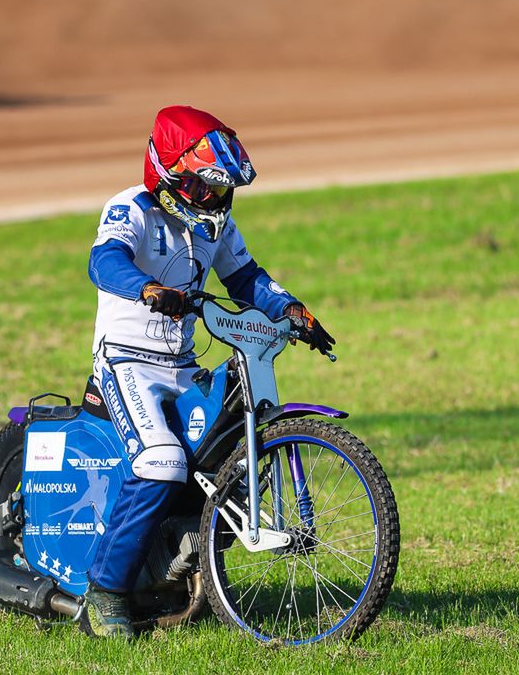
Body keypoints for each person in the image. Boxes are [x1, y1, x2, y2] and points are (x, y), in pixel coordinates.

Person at [82, 105, 335, 639]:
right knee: (164, 459)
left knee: (226, 457)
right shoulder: (132, 207)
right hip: (127, 362)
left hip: (181, 365)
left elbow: (246, 280)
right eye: (204, 188)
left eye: (221, 191)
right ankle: (104, 594)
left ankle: (176, 563)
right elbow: (103, 262)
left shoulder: (216, 225)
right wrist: (148, 289)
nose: (214, 200)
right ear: (171, 176)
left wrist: (292, 310)